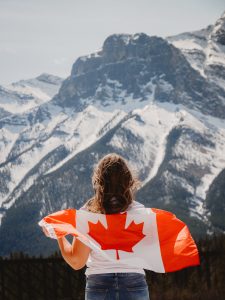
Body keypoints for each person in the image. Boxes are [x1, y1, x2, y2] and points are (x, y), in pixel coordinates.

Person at [57, 153, 150, 300]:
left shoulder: (87, 213)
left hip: (99, 285)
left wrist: (59, 234)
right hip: (134, 284)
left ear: (98, 182)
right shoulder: (140, 212)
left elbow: (76, 262)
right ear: (128, 181)